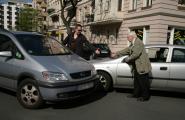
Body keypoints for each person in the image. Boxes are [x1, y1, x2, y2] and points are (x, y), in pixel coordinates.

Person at [111, 31, 152, 102]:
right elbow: (127, 50)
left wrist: (128, 59)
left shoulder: (138, 42)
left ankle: (145, 97)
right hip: (137, 66)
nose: (127, 38)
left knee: (143, 83)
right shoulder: (133, 43)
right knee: (136, 82)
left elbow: (136, 54)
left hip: (142, 66)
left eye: (128, 36)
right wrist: (117, 53)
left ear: (132, 36)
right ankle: (136, 94)